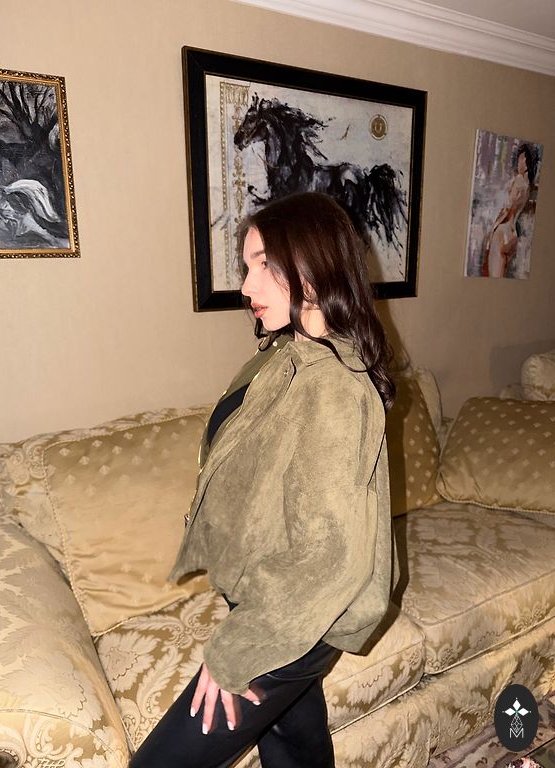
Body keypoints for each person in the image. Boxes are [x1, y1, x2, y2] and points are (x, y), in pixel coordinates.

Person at [130, 191, 398, 768]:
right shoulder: (287, 355)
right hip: (268, 595)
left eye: (263, 266)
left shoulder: (334, 387)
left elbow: (331, 557)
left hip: (298, 612)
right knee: (293, 749)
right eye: (245, 266)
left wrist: (235, 650)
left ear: (313, 266)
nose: (246, 286)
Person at [482, 144, 535, 278]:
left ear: (527, 162)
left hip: (504, 229)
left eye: (522, 159)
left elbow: (509, 208)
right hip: (513, 232)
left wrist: (493, 229)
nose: (519, 162)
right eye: (519, 159)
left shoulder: (519, 180)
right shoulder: (527, 185)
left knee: (494, 277)